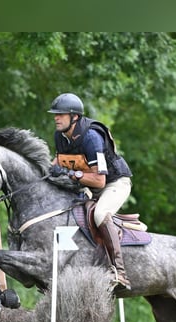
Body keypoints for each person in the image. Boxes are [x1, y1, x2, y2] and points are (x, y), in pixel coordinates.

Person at [47, 92, 133, 291]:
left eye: (61, 114)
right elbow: (56, 163)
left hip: (114, 184)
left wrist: (70, 174)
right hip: (88, 187)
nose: (56, 118)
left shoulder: (91, 138)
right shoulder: (60, 136)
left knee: (101, 214)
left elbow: (100, 180)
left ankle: (119, 272)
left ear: (74, 117)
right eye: (55, 114)